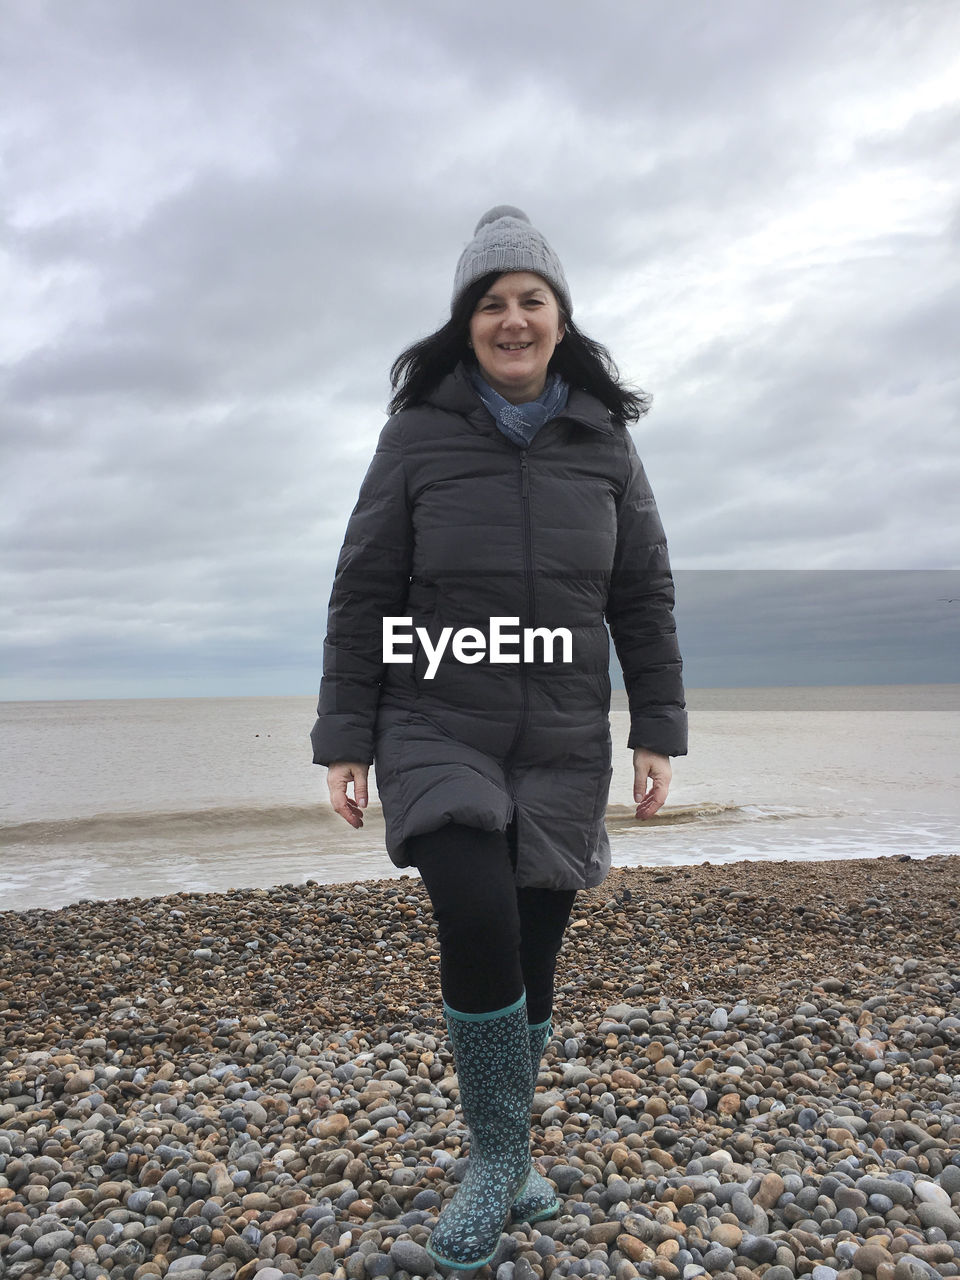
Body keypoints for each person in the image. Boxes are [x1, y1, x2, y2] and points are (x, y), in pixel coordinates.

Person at [311, 206, 686, 1270]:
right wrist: (346, 734)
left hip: (563, 730)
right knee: (475, 911)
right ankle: (493, 1156)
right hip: (434, 715)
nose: (511, 318)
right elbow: (365, 585)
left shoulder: (605, 442)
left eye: (530, 299)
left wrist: (656, 723)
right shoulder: (418, 434)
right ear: (465, 324)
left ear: (561, 320)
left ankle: (513, 1157)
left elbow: (642, 592)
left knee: (534, 941)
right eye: (491, 303)